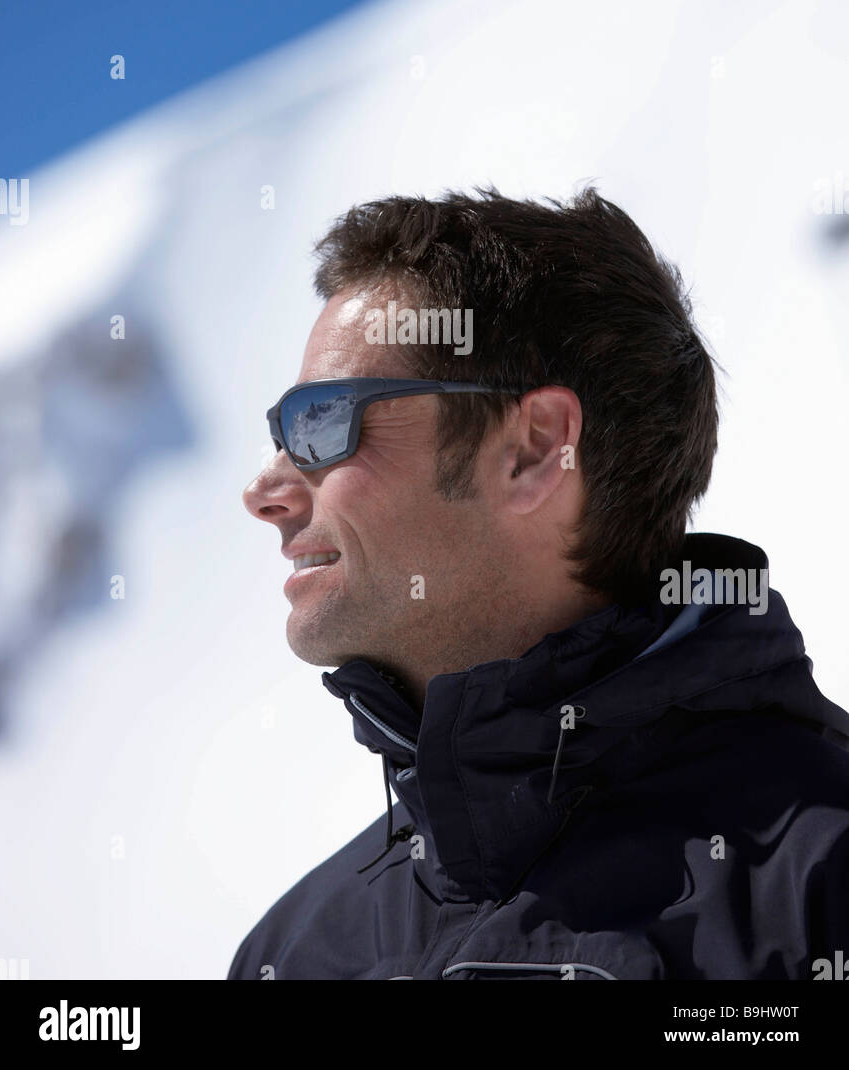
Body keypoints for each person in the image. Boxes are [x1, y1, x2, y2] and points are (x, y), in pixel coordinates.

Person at [228, 186, 849, 980]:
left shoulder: (818, 882)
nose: (266, 490)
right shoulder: (291, 954)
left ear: (533, 449)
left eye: (323, 421)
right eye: (281, 434)